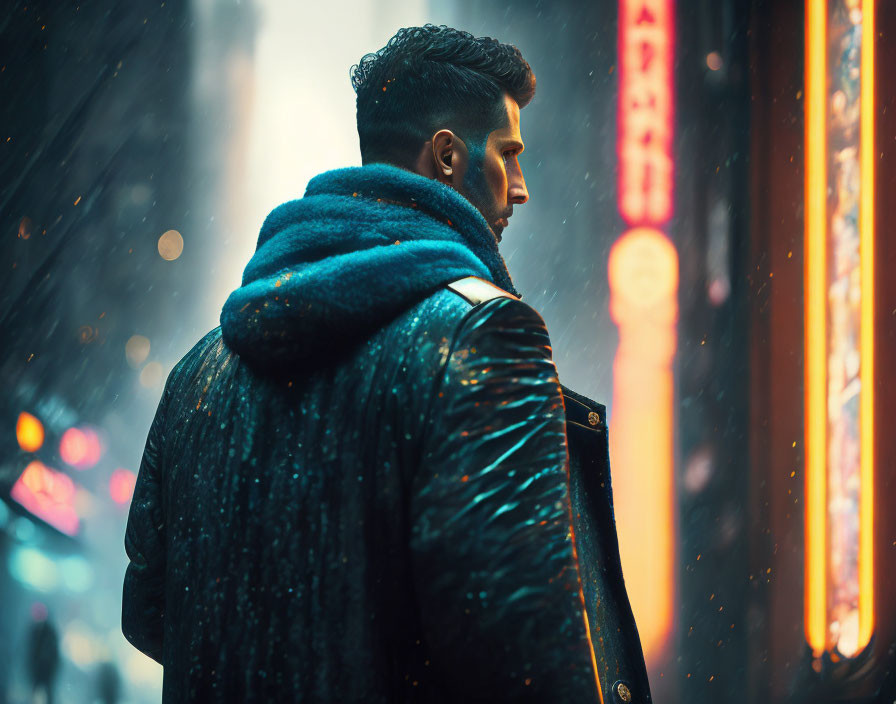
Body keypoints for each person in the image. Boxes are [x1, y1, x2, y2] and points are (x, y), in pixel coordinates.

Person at [122, 24, 651, 703]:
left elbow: (151, 614)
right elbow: (527, 658)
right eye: (510, 155)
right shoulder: (485, 335)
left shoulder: (199, 371)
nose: (519, 188)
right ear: (448, 156)